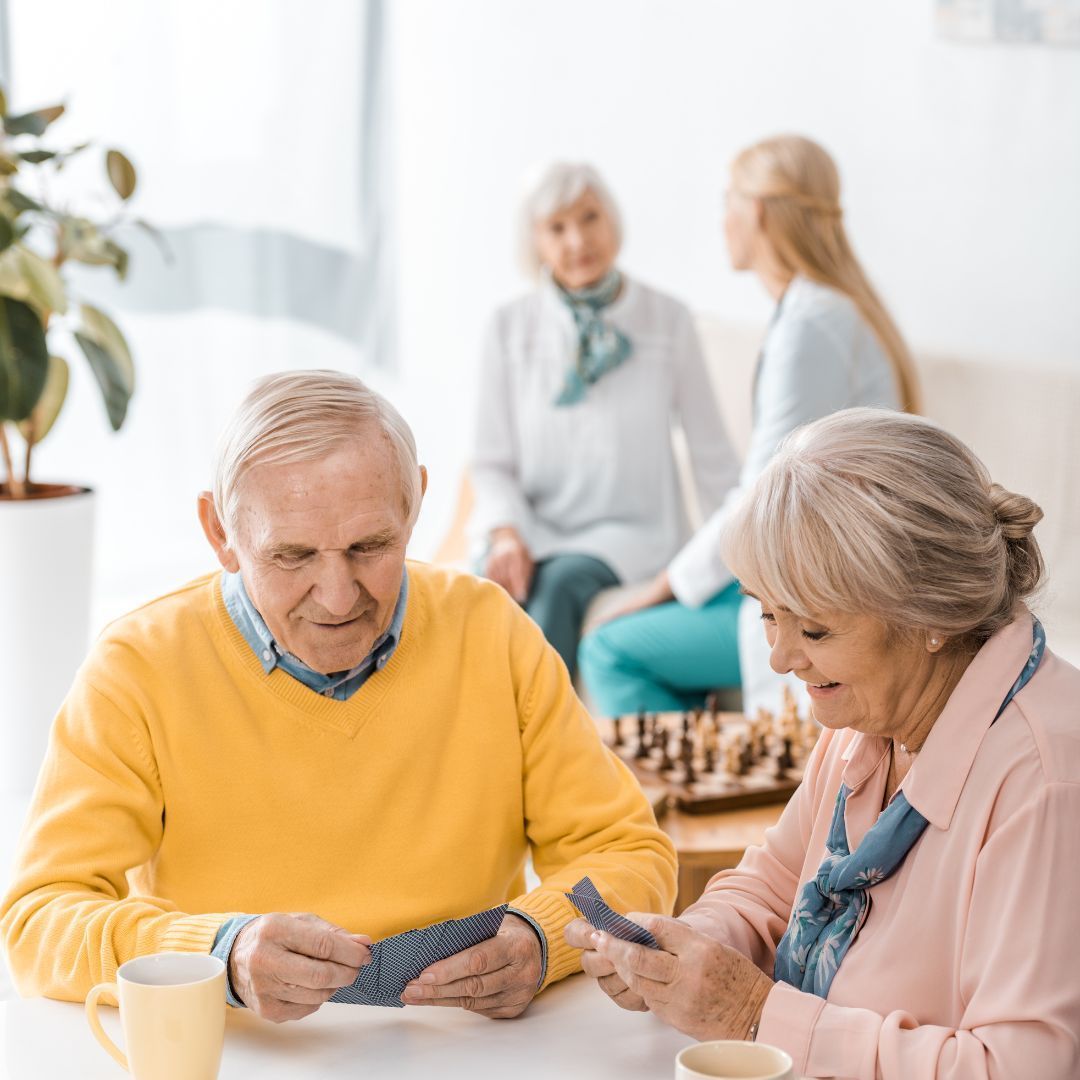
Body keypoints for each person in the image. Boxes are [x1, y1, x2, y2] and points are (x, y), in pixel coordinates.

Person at [0, 370, 676, 1024]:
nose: (338, 594)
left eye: (369, 545)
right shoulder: (137, 667)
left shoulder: (491, 632)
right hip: (239, 1058)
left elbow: (628, 854)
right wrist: (219, 956)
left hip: (462, 1052)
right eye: (292, 556)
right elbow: (39, 919)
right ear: (220, 534)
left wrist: (540, 935)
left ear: (414, 503)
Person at [568, 408, 1080, 1079]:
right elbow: (774, 885)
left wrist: (755, 1014)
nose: (780, 659)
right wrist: (690, 950)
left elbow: (1022, 1067)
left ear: (928, 616)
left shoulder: (1046, 779)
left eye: (813, 631)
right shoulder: (873, 715)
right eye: (766, 614)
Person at [579, 135, 921, 718]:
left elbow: (766, 491)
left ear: (755, 211)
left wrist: (660, 588)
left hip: (825, 584)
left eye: (727, 202)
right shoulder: (824, 310)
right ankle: (714, 778)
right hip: (813, 567)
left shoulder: (811, 325)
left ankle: (669, 804)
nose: (723, 220)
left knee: (609, 649)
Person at [470, 161, 740, 678]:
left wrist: (738, 560)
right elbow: (491, 464)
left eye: (589, 218)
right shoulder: (508, 328)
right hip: (534, 529)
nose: (577, 241)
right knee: (478, 596)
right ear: (536, 242)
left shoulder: (668, 321)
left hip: (632, 536)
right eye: (557, 228)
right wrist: (506, 534)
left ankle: (544, 753)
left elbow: (714, 464)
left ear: (612, 220)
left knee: (558, 587)